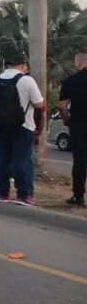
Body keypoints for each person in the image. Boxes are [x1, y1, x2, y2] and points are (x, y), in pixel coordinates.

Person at [0, 55, 44, 206]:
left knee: (2, 160)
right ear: (23, 65)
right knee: (22, 160)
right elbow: (39, 104)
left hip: (0, 126)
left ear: (7, 65)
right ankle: (24, 194)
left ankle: (1, 192)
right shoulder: (26, 80)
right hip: (23, 126)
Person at [59, 53, 87, 207]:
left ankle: (78, 196)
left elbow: (62, 106)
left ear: (79, 63)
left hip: (79, 125)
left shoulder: (71, 81)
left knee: (80, 162)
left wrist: (67, 121)